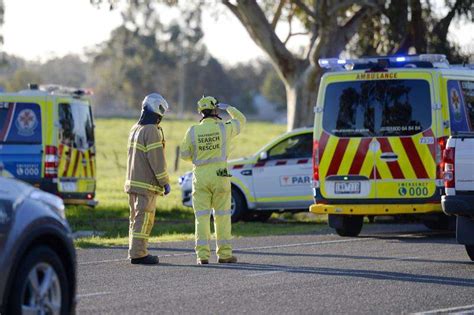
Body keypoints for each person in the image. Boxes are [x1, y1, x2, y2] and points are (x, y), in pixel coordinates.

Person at [180, 95, 246, 265]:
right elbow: (241, 120)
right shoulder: (224, 128)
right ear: (215, 110)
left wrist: (199, 155)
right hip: (220, 175)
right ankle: (224, 255)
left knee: (201, 217)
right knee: (222, 216)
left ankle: (202, 256)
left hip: (200, 177)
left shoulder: (193, 131)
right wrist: (229, 107)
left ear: (200, 112)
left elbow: (184, 155)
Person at [124, 93, 171, 265]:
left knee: (135, 219)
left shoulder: (135, 128)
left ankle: (134, 251)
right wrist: (164, 182)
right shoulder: (151, 130)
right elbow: (156, 159)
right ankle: (139, 254)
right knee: (143, 220)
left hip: (132, 183)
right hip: (145, 185)